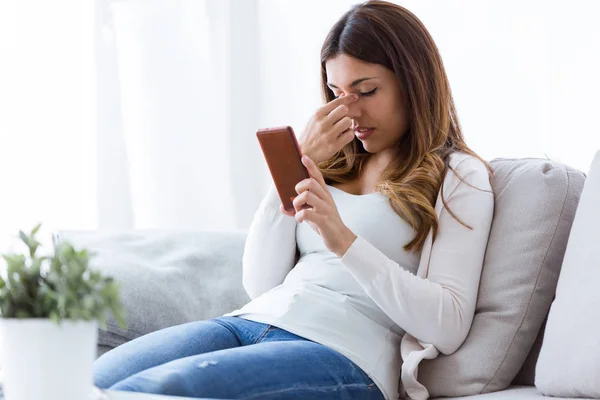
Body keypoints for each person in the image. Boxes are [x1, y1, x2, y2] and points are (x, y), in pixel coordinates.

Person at [93, 1, 494, 399]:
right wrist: (296, 165)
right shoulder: (332, 162)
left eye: (366, 90)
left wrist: (342, 239)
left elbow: (448, 323)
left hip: (341, 351)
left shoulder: (459, 176)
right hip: (249, 322)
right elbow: (260, 282)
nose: (349, 111)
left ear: (414, 83)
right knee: (87, 379)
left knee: (155, 391)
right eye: (336, 92)